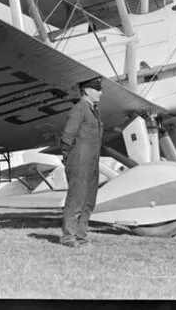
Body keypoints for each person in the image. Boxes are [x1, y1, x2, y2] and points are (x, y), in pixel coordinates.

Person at [59, 77, 103, 247]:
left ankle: (81, 236)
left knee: (88, 200)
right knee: (76, 199)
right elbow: (67, 137)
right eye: (98, 89)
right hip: (79, 161)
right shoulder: (79, 109)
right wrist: (69, 159)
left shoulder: (94, 110)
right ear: (88, 90)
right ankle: (68, 237)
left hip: (92, 161)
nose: (101, 93)